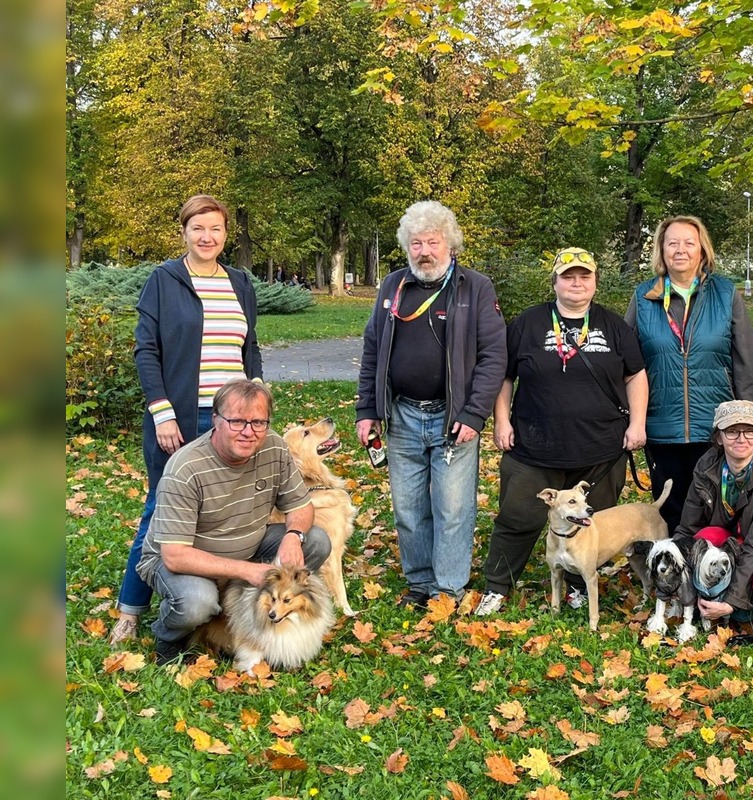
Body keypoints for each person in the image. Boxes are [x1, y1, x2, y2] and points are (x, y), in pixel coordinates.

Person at [109, 194, 263, 646]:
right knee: (161, 509)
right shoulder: (163, 280)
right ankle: (130, 611)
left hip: (232, 420)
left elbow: (248, 348)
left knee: (230, 508)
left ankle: (215, 599)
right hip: (178, 417)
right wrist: (161, 412)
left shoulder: (240, 283)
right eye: (198, 228)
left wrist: (255, 402)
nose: (207, 236)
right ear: (184, 232)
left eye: (215, 228)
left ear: (225, 234)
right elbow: (146, 350)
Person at [475, 248, 648, 616]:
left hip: (601, 450)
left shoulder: (614, 326)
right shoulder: (528, 323)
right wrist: (501, 421)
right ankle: (498, 586)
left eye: (584, 276)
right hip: (533, 447)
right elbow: (505, 376)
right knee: (517, 517)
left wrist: (637, 423)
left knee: (590, 522)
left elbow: (635, 375)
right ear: (554, 281)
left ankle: (576, 587)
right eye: (568, 276)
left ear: (595, 282)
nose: (576, 283)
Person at [356, 200, 506, 607]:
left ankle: (449, 590)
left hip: (453, 419)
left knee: (453, 510)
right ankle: (420, 585)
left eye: (433, 241)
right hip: (402, 414)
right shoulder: (393, 286)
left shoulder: (476, 287)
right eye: (416, 243)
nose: (424, 251)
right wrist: (367, 410)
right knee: (408, 509)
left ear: (450, 244)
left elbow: (494, 355)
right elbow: (373, 349)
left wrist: (475, 413)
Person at [135, 380, 329, 664]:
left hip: (248, 543)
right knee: (196, 603)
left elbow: (301, 506)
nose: (249, 432)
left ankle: (265, 628)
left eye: (258, 422)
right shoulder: (185, 469)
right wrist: (246, 571)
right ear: (215, 420)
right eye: (237, 421)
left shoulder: (273, 447)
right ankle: (169, 637)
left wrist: (293, 535)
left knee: (316, 540)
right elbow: (174, 556)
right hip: (188, 557)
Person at [625, 216, 753, 533]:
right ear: (661, 249)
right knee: (671, 509)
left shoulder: (725, 294)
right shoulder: (643, 297)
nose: (681, 250)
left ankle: (713, 573)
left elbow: (745, 358)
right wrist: (629, 417)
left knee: (714, 507)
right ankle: (674, 576)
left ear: (702, 249)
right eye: (672, 243)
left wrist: (749, 417)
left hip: (715, 425)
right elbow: (627, 363)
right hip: (661, 425)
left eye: (689, 242)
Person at [671, 400, 753, 626]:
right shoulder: (706, 467)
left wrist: (731, 602)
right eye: (732, 431)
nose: (741, 439)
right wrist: (675, 578)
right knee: (706, 537)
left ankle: (751, 604)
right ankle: (712, 595)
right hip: (731, 541)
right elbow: (688, 527)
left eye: (750, 431)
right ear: (719, 437)